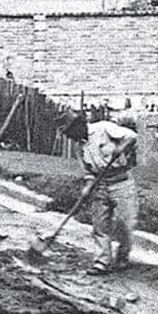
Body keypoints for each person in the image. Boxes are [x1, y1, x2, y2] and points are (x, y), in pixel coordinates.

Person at [61, 113, 139, 273]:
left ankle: (122, 258)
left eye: (71, 132)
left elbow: (131, 136)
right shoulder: (79, 146)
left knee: (124, 224)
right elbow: (87, 170)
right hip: (100, 184)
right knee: (99, 225)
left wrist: (120, 148)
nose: (71, 138)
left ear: (79, 126)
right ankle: (101, 262)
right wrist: (88, 185)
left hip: (121, 181)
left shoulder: (103, 128)